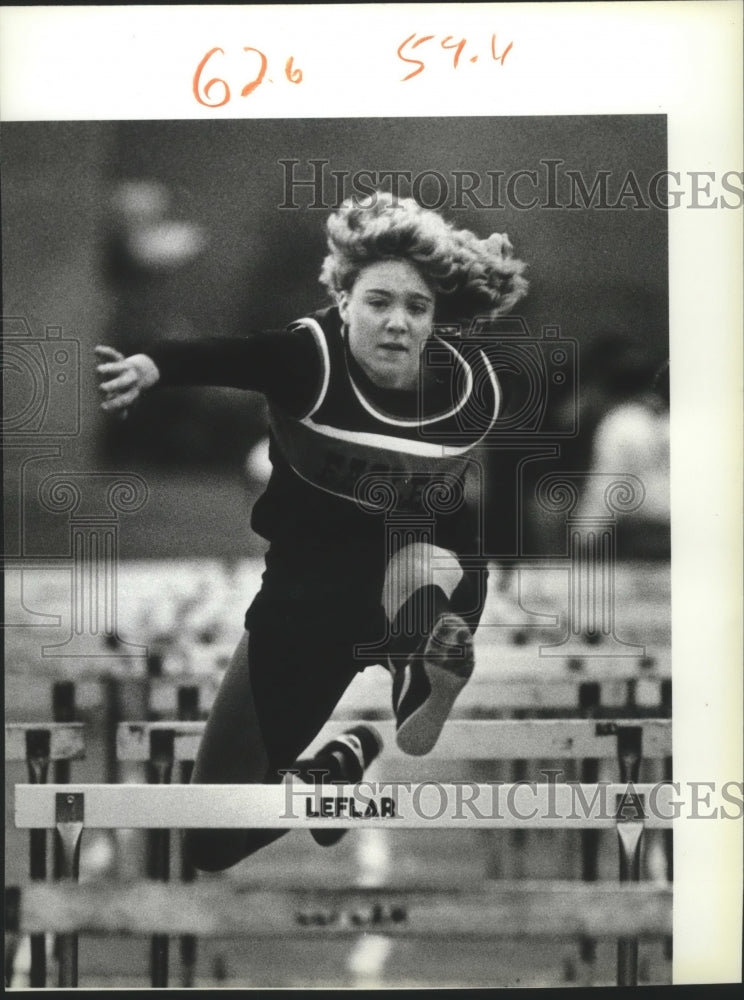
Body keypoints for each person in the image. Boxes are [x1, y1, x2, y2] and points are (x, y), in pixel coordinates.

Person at [96, 192, 529, 871]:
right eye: (379, 302)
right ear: (344, 301)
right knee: (211, 840)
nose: (397, 323)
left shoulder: (468, 389)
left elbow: (466, 529)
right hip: (302, 605)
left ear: (436, 319)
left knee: (416, 558)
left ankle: (419, 668)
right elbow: (229, 356)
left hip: (416, 586)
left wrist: (456, 622)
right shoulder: (310, 357)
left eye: (417, 308)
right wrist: (154, 367)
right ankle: (331, 772)